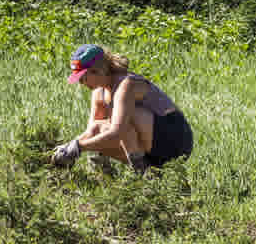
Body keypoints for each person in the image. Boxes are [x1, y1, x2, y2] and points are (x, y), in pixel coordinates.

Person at [49, 44, 193, 173]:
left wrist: (78, 147)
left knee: (122, 123)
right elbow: (92, 132)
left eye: (83, 77)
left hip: (175, 140)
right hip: (151, 144)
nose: (80, 83)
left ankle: (142, 175)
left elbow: (117, 133)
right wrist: (69, 147)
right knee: (98, 127)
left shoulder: (125, 85)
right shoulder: (99, 92)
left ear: (97, 70)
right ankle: (103, 174)